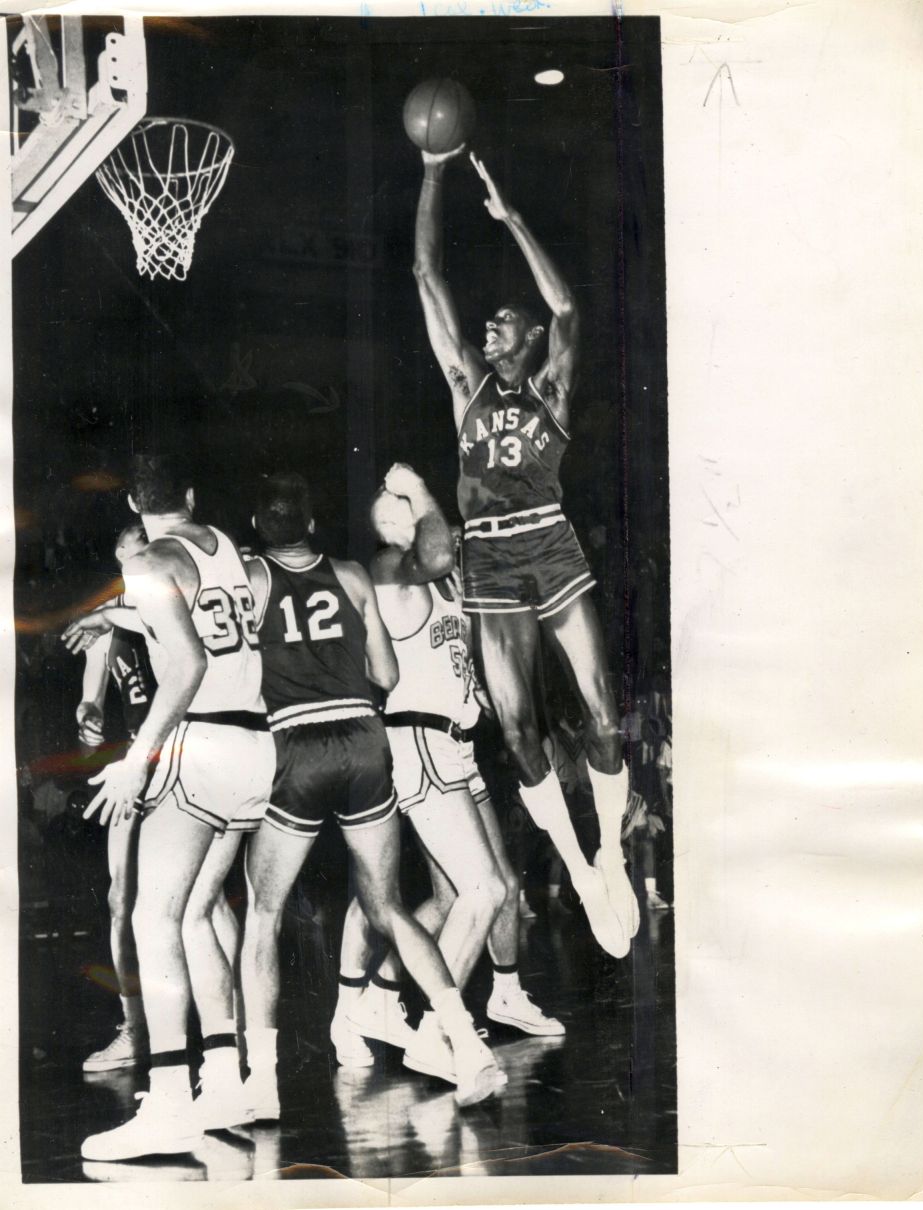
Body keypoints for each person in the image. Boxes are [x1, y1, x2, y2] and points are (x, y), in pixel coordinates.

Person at [411, 145, 638, 958]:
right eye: (489, 324)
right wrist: (434, 170)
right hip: (490, 561)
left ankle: (609, 848)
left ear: (531, 336)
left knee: (604, 712)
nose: (488, 327)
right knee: (515, 731)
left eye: (504, 321)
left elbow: (569, 308)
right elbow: (426, 277)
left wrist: (510, 220)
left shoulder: (551, 388)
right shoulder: (466, 387)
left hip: (549, 542)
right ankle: (578, 868)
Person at [237, 472, 505, 1115]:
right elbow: (386, 673)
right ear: (312, 524)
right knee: (388, 906)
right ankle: (466, 1047)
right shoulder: (356, 575)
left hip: (296, 744)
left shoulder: (250, 579)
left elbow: (238, 670)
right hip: (364, 739)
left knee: (264, 915)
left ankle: (262, 1085)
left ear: (257, 528)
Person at [65, 453, 276, 1162]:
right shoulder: (224, 549)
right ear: (187, 493)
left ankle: (171, 1101)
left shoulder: (150, 560)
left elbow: (185, 665)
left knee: (154, 917)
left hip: (203, 741)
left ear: (133, 503)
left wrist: (136, 758)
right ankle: (224, 1082)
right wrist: (112, 613)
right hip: (256, 744)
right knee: (196, 915)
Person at [333, 464, 564, 1085]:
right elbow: (437, 550)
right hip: (419, 741)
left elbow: (455, 623)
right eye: (410, 507)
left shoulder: (438, 581)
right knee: (484, 891)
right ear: (398, 522)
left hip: (454, 743)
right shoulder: (391, 567)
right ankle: (440, 1033)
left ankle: (377, 997)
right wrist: (420, 487)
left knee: (461, 896)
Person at [74, 524, 154, 1072]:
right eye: (125, 561)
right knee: (120, 900)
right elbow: (92, 689)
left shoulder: (178, 601)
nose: (134, 569)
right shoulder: (112, 617)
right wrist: (89, 713)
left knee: (203, 904)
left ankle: (234, 1036)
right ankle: (134, 1029)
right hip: (135, 763)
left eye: (141, 556)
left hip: (187, 755)